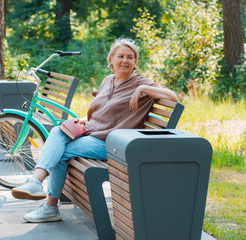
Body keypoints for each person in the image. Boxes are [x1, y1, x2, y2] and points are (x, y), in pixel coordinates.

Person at [11, 38, 178, 223]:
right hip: (92, 133)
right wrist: (83, 120)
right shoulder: (108, 80)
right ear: (111, 59)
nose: (125, 60)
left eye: (130, 57)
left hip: (111, 143)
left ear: (135, 62)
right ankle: (37, 184)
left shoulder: (140, 82)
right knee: (57, 132)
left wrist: (142, 89)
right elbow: (104, 110)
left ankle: (48, 203)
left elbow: (173, 97)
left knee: (60, 152)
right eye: (120, 56)